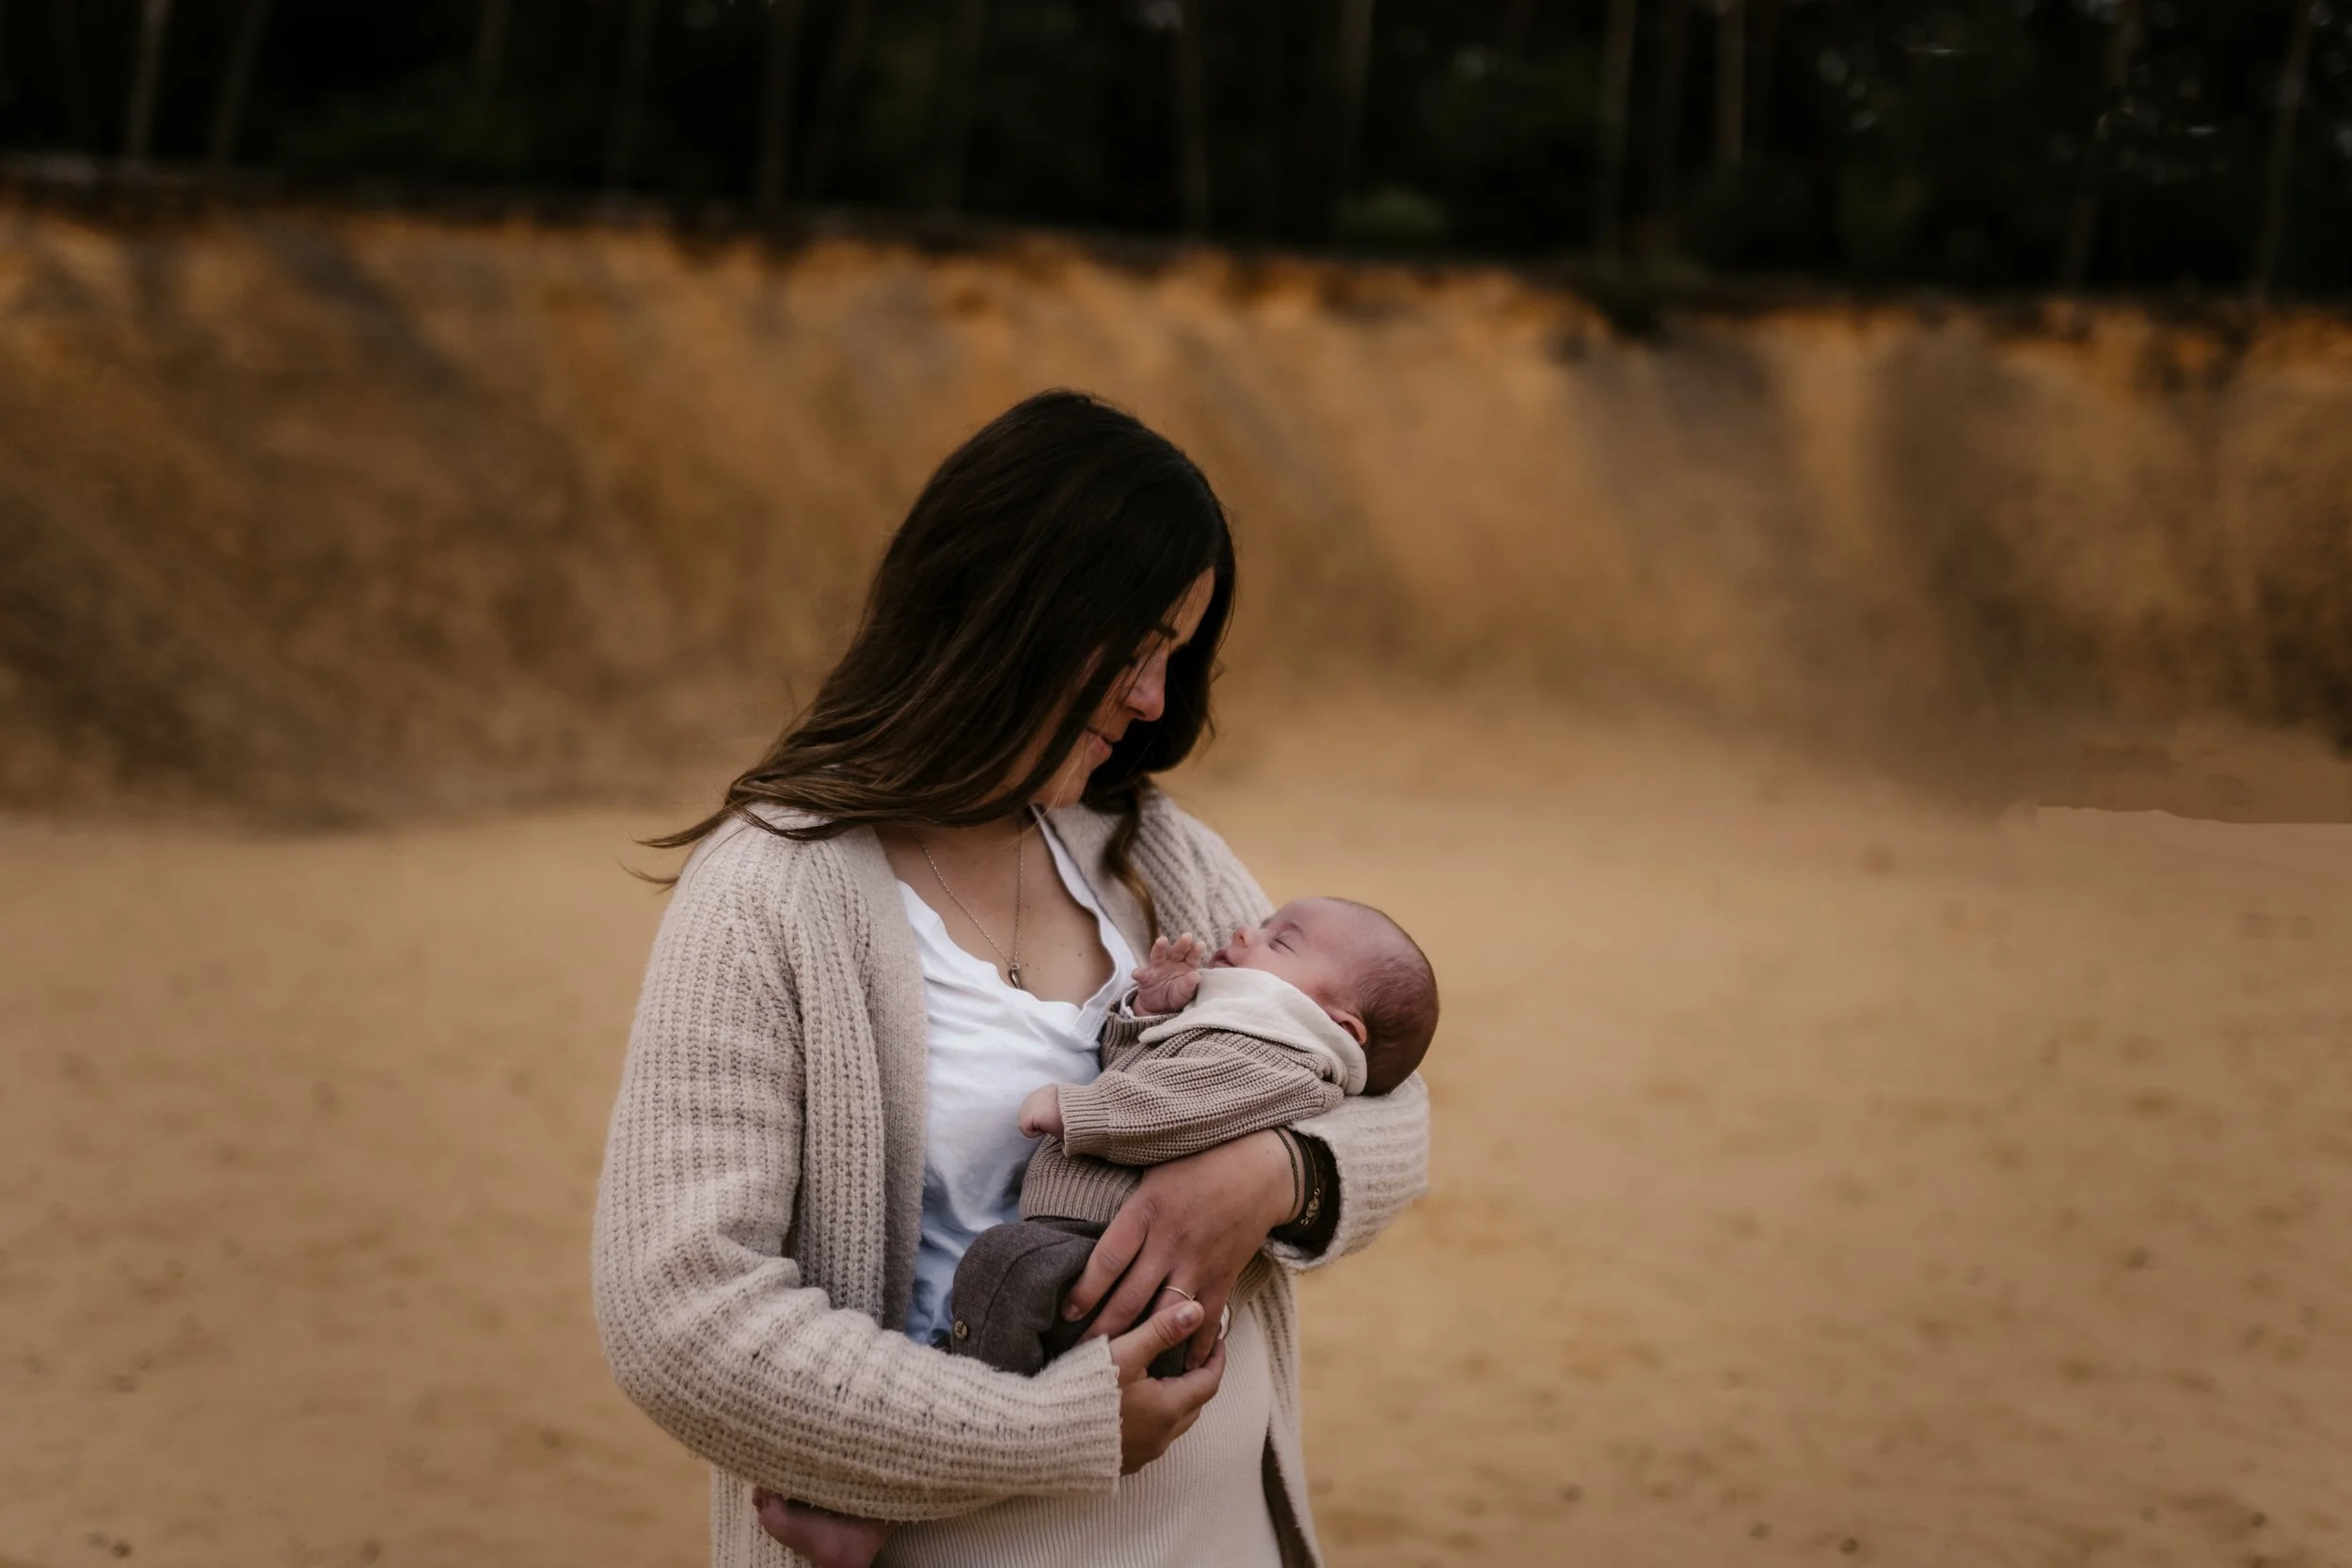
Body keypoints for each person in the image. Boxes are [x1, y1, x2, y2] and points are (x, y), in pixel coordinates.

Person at [592, 388, 1431, 1568]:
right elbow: (681, 1316)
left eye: (1171, 658)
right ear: (1009, 610)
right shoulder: (772, 888)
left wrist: (1273, 1170)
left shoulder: (1159, 857)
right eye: (1132, 647)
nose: (1150, 698)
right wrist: (1049, 1429)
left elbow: (1385, 1093)